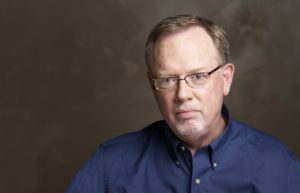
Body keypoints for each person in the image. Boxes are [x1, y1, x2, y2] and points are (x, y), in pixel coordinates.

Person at [64, 14, 300, 193]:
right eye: (168, 80)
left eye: (197, 76)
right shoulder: (112, 163)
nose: (182, 94)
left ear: (226, 79)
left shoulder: (278, 165)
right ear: (153, 87)